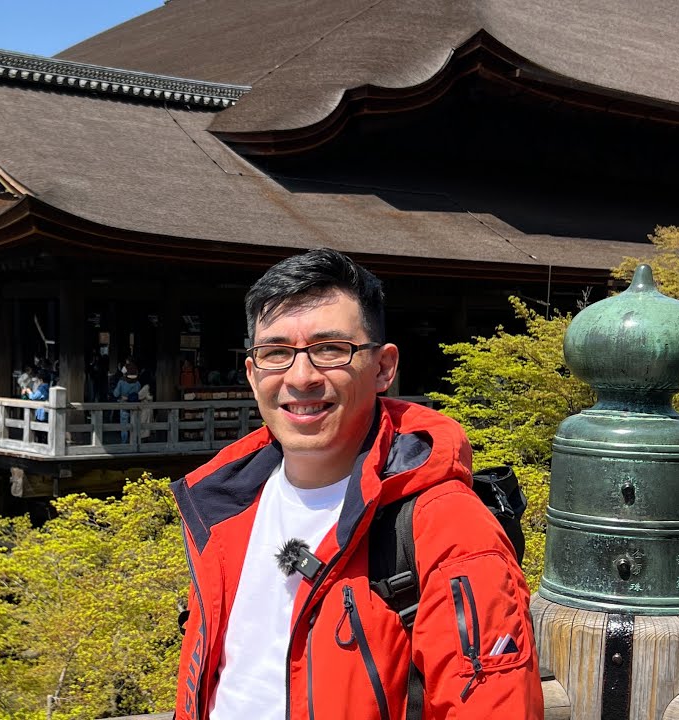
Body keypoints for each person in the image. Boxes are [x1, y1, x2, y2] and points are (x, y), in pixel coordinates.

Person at [172, 249, 540, 720]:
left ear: (385, 368)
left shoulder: (445, 525)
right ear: (251, 373)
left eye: (330, 349)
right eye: (275, 353)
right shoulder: (223, 507)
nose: (300, 377)